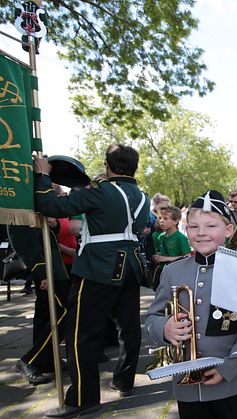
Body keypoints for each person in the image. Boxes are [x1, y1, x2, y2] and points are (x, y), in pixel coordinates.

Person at [34, 144, 149, 418]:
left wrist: (42, 175)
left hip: (99, 267)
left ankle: (84, 398)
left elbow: (51, 205)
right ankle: (124, 381)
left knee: (81, 334)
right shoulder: (142, 196)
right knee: (129, 328)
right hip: (130, 266)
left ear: (108, 165)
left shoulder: (101, 190)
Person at [145, 190, 237, 419]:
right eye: (194, 226)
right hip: (186, 387)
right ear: (185, 229)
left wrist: (228, 368)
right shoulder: (172, 272)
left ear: (228, 230)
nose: (201, 233)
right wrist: (165, 327)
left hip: (231, 381)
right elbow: (152, 318)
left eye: (210, 226)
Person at [9, 222, 70, 385]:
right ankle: (31, 361)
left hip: (54, 268)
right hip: (48, 271)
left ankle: (46, 360)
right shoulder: (23, 205)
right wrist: (42, 272)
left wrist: (55, 224)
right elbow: (22, 241)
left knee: (44, 315)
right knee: (67, 313)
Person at [151, 205, 192, 290]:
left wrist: (165, 258)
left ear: (176, 221)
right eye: (160, 218)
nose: (161, 221)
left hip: (177, 273)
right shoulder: (160, 237)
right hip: (163, 273)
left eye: (165, 219)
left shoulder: (181, 238)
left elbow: (187, 257)